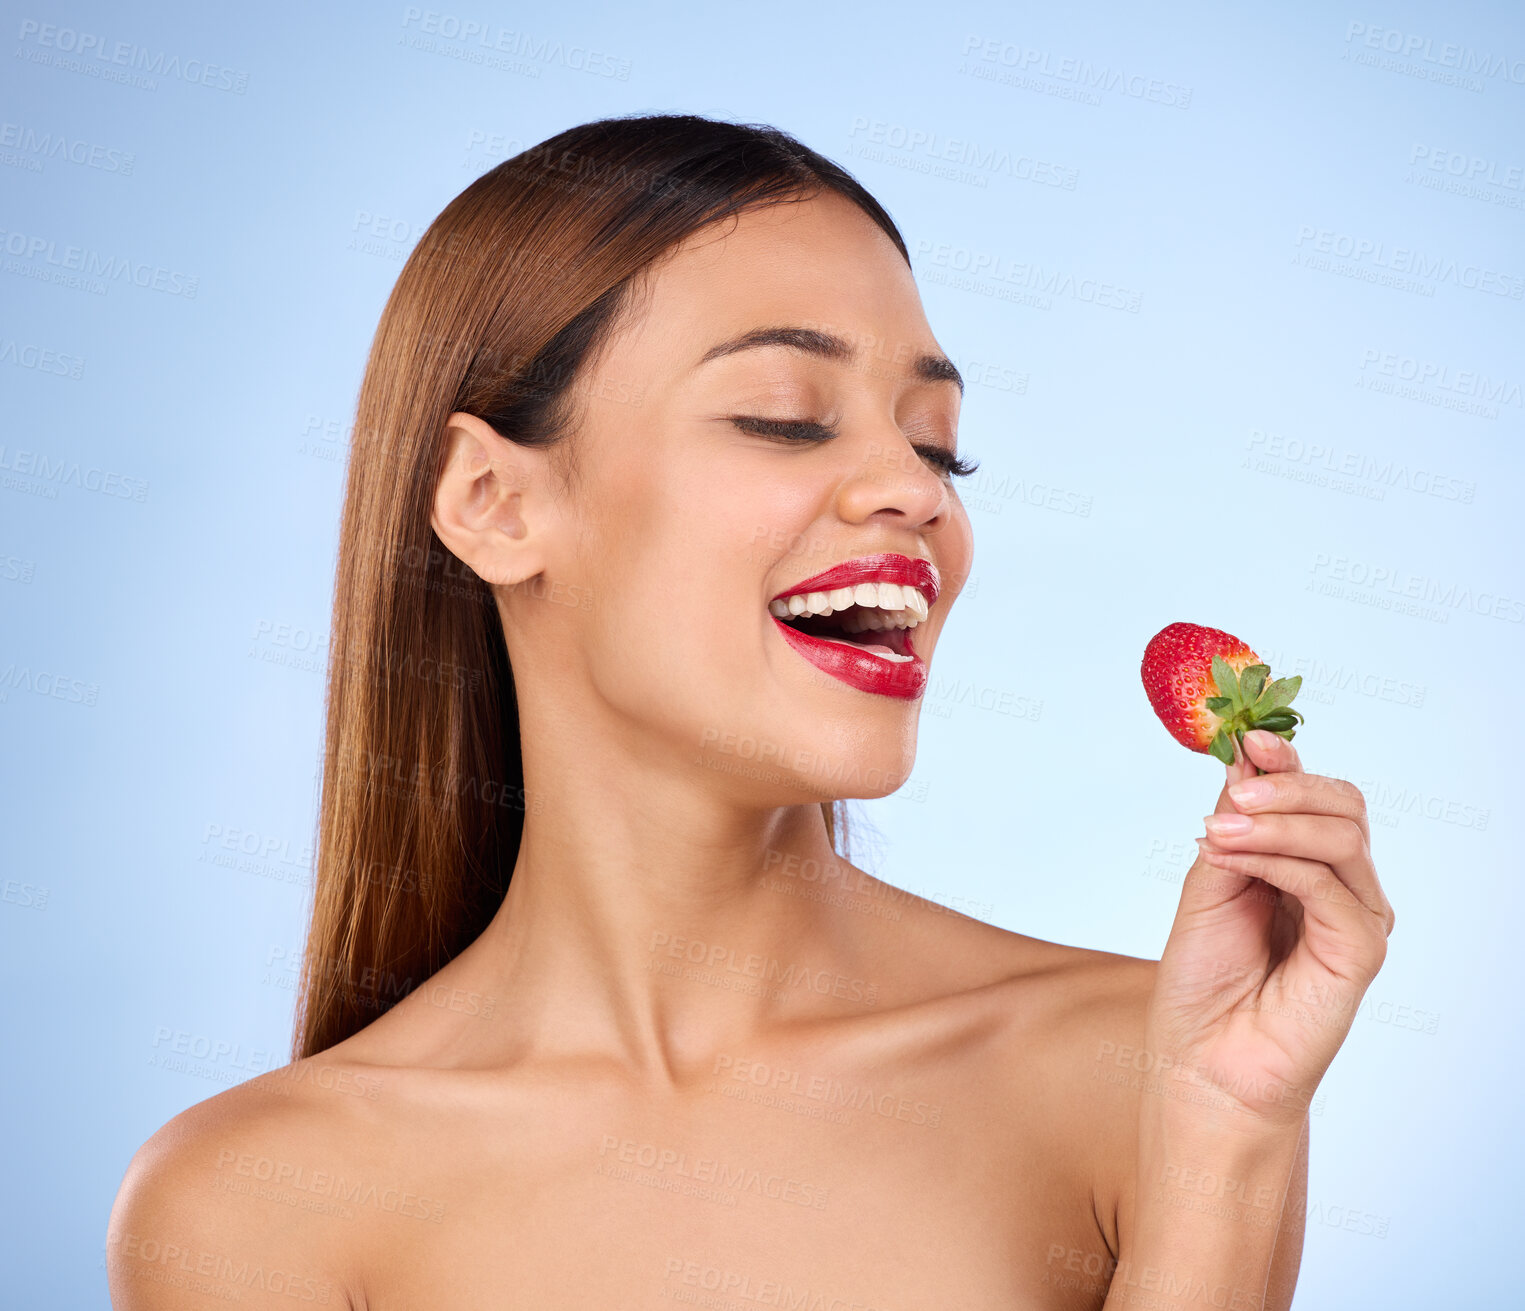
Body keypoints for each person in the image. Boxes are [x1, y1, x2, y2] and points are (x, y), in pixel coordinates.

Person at [107, 113, 1393, 1310]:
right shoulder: (245, 1207)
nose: (911, 488)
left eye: (938, 445)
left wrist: (1227, 1141)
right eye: (783, 419)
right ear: (495, 504)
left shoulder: (1144, 1073)